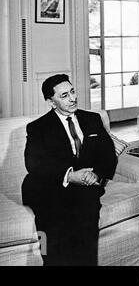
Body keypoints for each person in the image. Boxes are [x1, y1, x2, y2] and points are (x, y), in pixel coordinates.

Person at [21, 74, 117, 266]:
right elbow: (34, 164)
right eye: (64, 95)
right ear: (51, 102)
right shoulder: (38, 128)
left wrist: (96, 174)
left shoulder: (92, 119)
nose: (72, 98)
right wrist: (70, 175)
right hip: (49, 185)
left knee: (87, 210)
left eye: (72, 92)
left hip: (85, 185)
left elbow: (108, 155)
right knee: (53, 216)